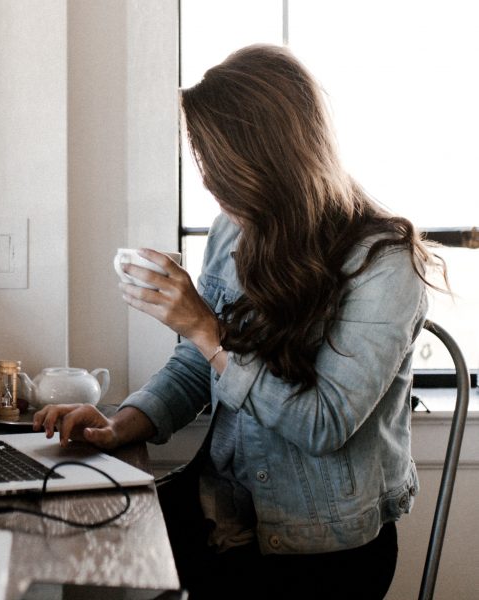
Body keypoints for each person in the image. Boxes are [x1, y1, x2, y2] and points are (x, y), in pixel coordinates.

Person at [33, 44, 446, 600]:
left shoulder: (386, 263)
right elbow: (196, 364)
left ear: (273, 159)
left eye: (218, 167)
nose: (209, 184)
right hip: (223, 507)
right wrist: (120, 424)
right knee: (64, 541)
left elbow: (322, 425)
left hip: (321, 548)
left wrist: (207, 328)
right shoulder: (235, 229)